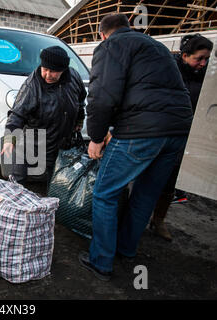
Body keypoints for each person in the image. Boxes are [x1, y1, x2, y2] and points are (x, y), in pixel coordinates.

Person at [79, 14, 193, 281]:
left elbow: (103, 96)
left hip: (142, 132)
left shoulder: (110, 46)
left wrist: (96, 137)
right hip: (177, 130)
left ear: (103, 34)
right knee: (145, 194)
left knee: (105, 193)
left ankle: (101, 261)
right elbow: (146, 91)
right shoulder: (155, 46)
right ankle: (126, 249)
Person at [150, 34, 213, 241]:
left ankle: (158, 220)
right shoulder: (168, 71)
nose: (203, 64)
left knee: (170, 181)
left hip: (185, 137)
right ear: (185, 56)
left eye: (206, 59)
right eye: (199, 59)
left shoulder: (207, 77)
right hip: (159, 133)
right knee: (146, 179)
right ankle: (133, 220)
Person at [1, 46, 86, 188]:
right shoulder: (32, 86)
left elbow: (81, 100)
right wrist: (10, 140)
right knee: (17, 182)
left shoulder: (74, 78)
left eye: (53, 71)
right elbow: (16, 116)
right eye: (45, 69)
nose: (47, 75)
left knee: (57, 186)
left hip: (62, 144)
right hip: (33, 144)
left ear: (63, 70)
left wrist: (79, 119)